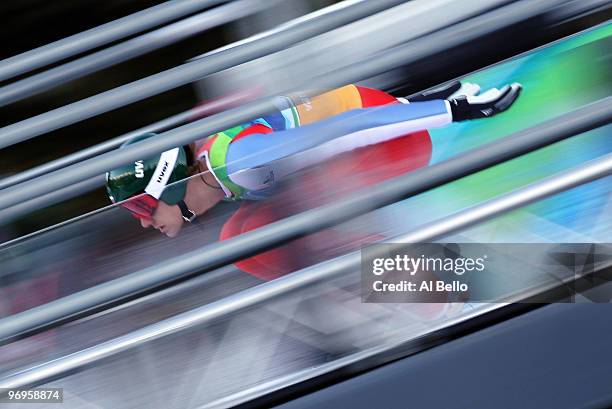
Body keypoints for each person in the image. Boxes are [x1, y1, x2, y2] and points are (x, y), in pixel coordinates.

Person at [106, 81, 522, 240]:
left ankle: (421, 299)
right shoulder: (216, 172)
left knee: (251, 240)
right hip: (369, 127)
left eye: (142, 206)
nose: (143, 221)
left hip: (386, 139)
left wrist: (455, 110)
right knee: (242, 236)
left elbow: (346, 129)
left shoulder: (239, 163)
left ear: (171, 182)